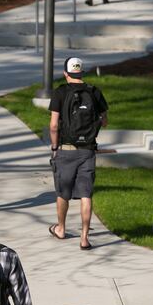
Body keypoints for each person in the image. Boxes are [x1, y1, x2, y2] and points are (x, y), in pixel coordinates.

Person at [48, 57, 109, 250]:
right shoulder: (94, 92)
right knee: (86, 194)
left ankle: (61, 229)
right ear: (81, 72)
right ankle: (84, 238)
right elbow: (104, 121)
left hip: (66, 150)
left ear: (66, 73)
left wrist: (55, 146)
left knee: (62, 193)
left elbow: (54, 125)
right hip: (88, 151)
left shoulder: (60, 92)